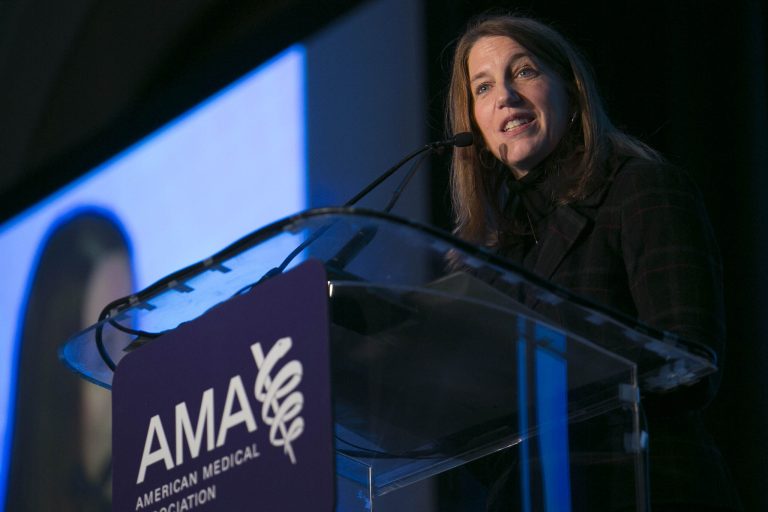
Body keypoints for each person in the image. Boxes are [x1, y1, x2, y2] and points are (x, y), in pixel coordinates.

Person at [444, 14, 741, 512]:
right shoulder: (484, 260)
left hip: (644, 488)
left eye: (524, 72)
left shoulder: (638, 189)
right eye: (483, 87)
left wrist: (546, 372)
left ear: (570, 88)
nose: (505, 97)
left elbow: (690, 363)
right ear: (473, 124)